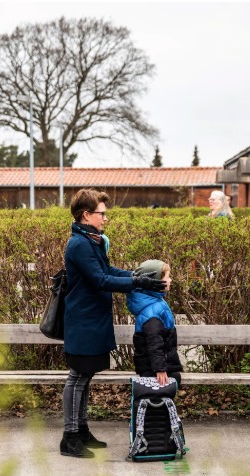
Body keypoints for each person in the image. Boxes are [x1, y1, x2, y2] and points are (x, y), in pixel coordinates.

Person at [61, 188, 166, 458]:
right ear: (86, 215)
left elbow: (108, 272)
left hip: (92, 320)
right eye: (101, 213)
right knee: (77, 377)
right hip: (83, 320)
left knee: (85, 376)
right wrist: (138, 282)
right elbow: (100, 280)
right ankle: (69, 437)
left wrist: (136, 275)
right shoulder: (79, 244)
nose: (106, 218)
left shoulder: (92, 240)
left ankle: (81, 430)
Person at [126, 259, 183, 387]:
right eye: (167, 277)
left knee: (174, 379)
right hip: (153, 369)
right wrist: (160, 369)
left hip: (157, 365)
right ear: (156, 282)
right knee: (172, 381)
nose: (170, 280)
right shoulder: (152, 312)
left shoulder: (154, 302)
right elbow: (154, 342)